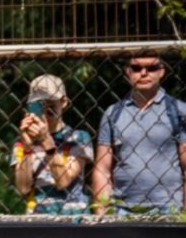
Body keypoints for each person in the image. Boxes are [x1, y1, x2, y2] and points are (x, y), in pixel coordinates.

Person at [93, 53, 186, 215]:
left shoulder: (178, 111)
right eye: (136, 68)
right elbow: (102, 168)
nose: (144, 73)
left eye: (151, 68)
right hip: (122, 209)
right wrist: (103, 215)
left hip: (170, 208)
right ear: (128, 71)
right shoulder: (113, 113)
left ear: (161, 71)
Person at [11, 74, 91, 215]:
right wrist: (27, 148)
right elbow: (23, 188)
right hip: (37, 219)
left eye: (50, 103)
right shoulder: (22, 142)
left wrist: (46, 141)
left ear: (64, 102)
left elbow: (63, 182)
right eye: (39, 104)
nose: (45, 110)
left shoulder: (79, 138)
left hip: (73, 218)